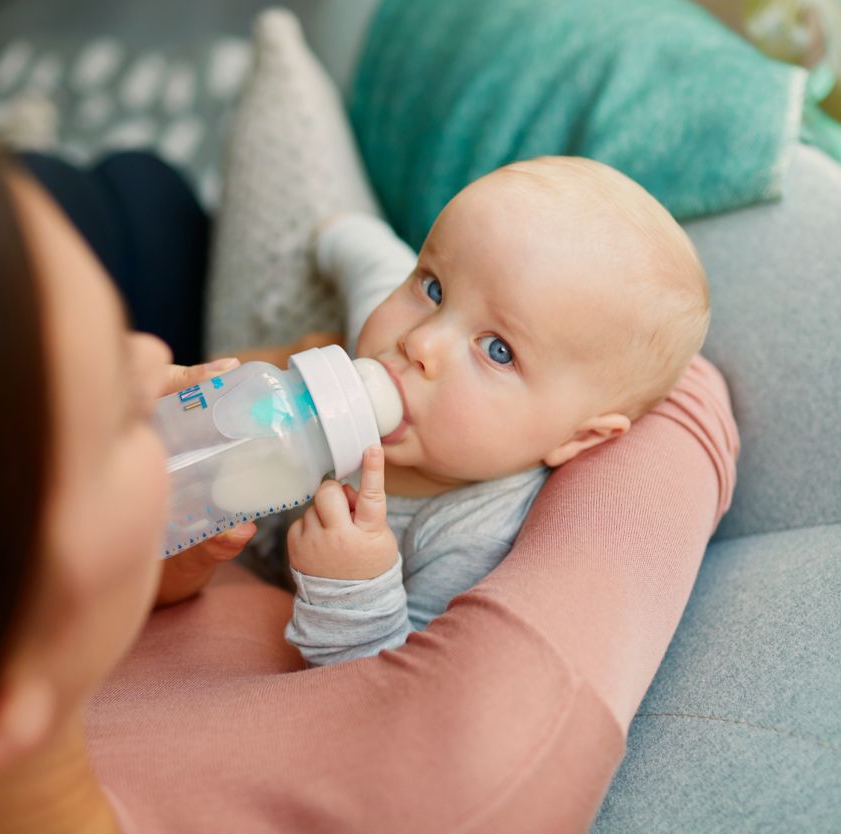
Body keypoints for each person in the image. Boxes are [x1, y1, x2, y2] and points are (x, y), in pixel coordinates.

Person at [0, 51, 738, 833]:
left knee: (148, 196)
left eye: (493, 349)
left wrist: (165, 567)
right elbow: (684, 394)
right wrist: (350, 583)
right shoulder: (447, 772)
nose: (157, 358)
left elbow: (385, 270)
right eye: (93, 412)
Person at [284, 157, 711, 665]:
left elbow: (398, 687)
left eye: (498, 350)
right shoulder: (381, 351)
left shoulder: (471, 537)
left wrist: (351, 590)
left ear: (576, 438)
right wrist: (335, 235)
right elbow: (375, 264)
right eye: (434, 287)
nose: (420, 341)